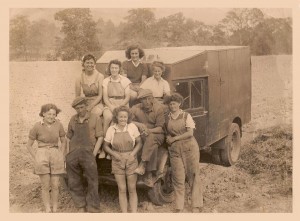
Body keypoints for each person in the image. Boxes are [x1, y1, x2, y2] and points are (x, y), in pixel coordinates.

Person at [164, 93, 203, 213]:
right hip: (175, 150)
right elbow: (167, 131)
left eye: (174, 103)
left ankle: (196, 204)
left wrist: (174, 138)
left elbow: (190, 133)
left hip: (189, 147)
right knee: (178, 177)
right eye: (170, 104)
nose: (172, 106)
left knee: (193, 175)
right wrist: (168, 138)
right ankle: (179, 206)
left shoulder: (186, 116)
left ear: (179, 104)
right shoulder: (167, 117)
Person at [26, 104, 66, 213]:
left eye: (54, 114)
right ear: (43, 114)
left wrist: (61, 154)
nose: (51, 116)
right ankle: (48, 208)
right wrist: (36, 157)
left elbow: (63, 140)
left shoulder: (59, 125)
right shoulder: (37, 126)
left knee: (55, 185)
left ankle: (55, 208)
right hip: (42, 153)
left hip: (55, 153)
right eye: (49, 114)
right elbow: (29, 145)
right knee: (45, 185)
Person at [65, 97, 103, 213]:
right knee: (73, 180)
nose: (80, 110)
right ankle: (80, 205)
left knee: (92, 180)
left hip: (88, 153)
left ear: (86, 106)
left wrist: (94, 153)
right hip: (74, 153)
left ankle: (93, 207)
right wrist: (67, 153)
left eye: (82, 107)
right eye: (77, 108)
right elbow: (68, 137)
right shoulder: (73, 119)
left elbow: (100, 137)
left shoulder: (95, 118)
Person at [103, 106, 142, 213]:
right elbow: (105, 146)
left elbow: (139, 143)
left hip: (131, 159)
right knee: (122, 189)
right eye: (121, 117)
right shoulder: (111, 129)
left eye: (125, 117)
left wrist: (132, 155)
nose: (123, 119)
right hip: (117, 160)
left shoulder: (132, 127)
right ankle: (124, 214)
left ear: (128, 117)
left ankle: (133, 213)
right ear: (116, 117)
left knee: (132, 189)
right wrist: (114, 155)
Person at [130, 89, 165, 187]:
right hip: (142, 134)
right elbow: (126, 120)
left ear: (152, 99)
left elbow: (160, 128)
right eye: (144, 100)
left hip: (157, 134)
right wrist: (139, 124)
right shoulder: (135, 108)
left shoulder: (158, 109)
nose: (147, 102)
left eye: (149, 99)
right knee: (152, 145)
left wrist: (149, 131)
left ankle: (143, 164)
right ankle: (148, 174)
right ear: (140, 101)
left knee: (151, 138)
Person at [102, 59, 131, 138]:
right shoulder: (106, 81)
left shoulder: (125, 80)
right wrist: (111, 107)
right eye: (112, 68)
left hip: (122, 104)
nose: (114, 70)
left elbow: (127, 97)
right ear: (109, 69)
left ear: (119, 69)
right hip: (110, 104)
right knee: (108, 117)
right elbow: (105, 98)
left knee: (121, 118)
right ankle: (106, 140)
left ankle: (119, 140)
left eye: (116, 68)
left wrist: (119, 107)